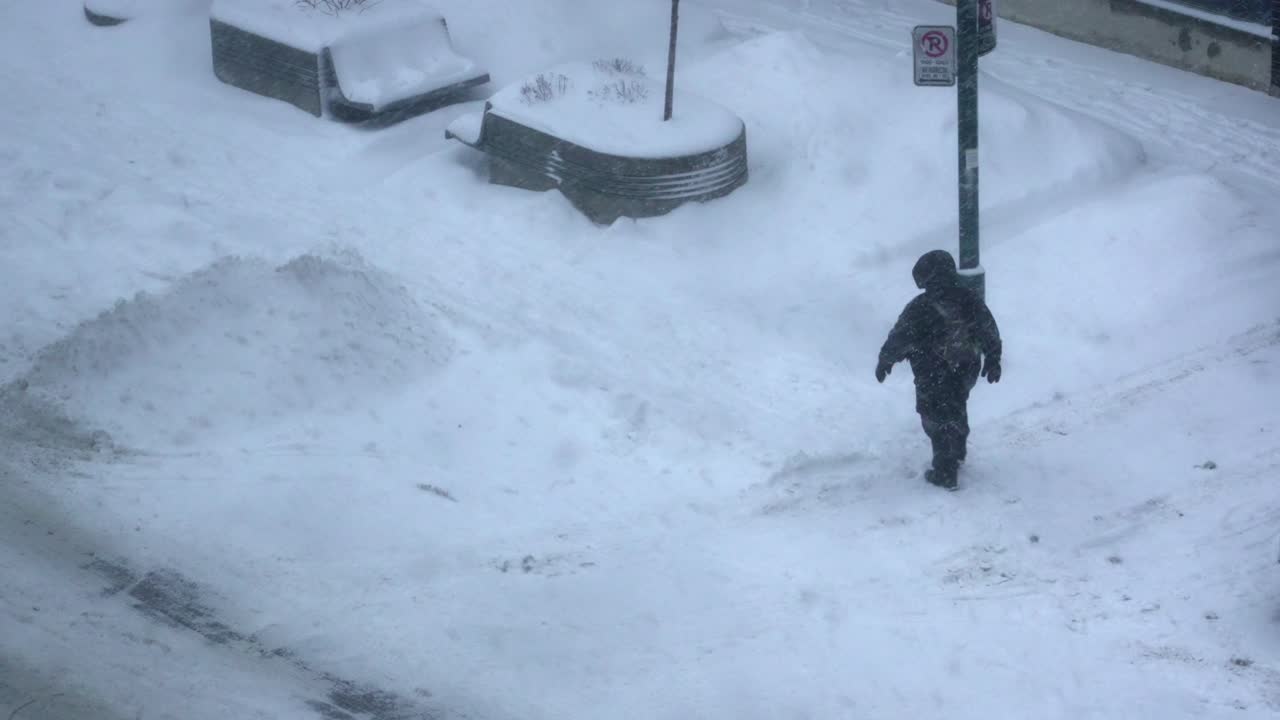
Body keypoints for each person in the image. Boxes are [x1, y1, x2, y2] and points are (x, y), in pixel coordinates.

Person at [876, 250, 1002, 490]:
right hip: (966, 367)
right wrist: (993, 359)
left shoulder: (920, 306)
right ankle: (957, 450)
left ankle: (945, 470)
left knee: (935, 415)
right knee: (956, 406)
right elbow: (988, 329)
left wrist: (886, 360)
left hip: (931, 372)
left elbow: (901, 337)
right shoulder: (969, 299)